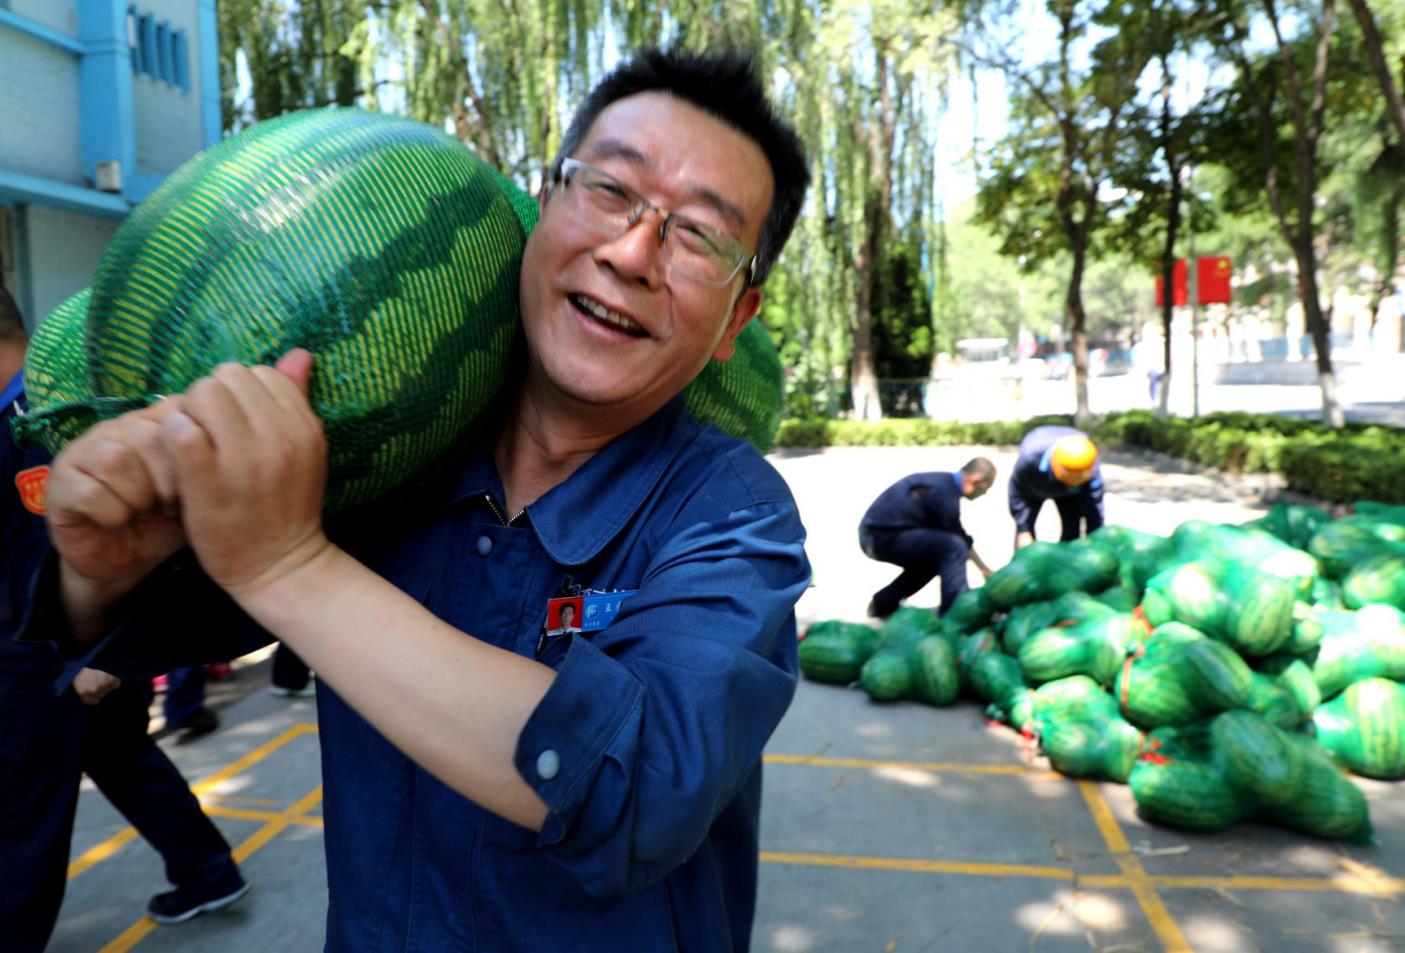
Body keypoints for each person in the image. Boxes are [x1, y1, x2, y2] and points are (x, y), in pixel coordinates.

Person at [26, 48, 811, 950]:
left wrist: (290, 565)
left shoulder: (733, 513)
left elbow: (637, 790)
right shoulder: (389, 443)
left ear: (735, 322)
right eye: (607, 189)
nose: (632, 251)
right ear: (542, 206)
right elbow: (183, 626)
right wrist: (103, 575)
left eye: (700, 236)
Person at [0, 286, 248, 951]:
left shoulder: (34, 419)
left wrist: (93, 655)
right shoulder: (45, 404)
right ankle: (207, 869)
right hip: (69, 655)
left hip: (53, 660)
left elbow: (66, 551)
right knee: (119, 756)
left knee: (25, 819)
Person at [858, 458, 996, 619]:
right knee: (953, 547)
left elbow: (960, 535)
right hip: (879, 538)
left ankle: (883, 603)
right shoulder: (943, 493)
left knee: (936, 559)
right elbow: (959, 543)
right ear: (976, 480)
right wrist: (983, 569)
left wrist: (983, 569)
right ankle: (955, 613)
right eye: (987, 487)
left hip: (875, 536)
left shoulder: (943, 484)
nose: (985, 492)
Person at [1008, 425, 1104, 548]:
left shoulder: (1089, 463)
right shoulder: (1029, 457)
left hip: (1070, 494)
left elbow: (1094, 507)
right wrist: (1023, 528)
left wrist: (1096, 543)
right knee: (1025, 538)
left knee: (1072, 531)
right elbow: (1017, 492)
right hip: (1034, 487)